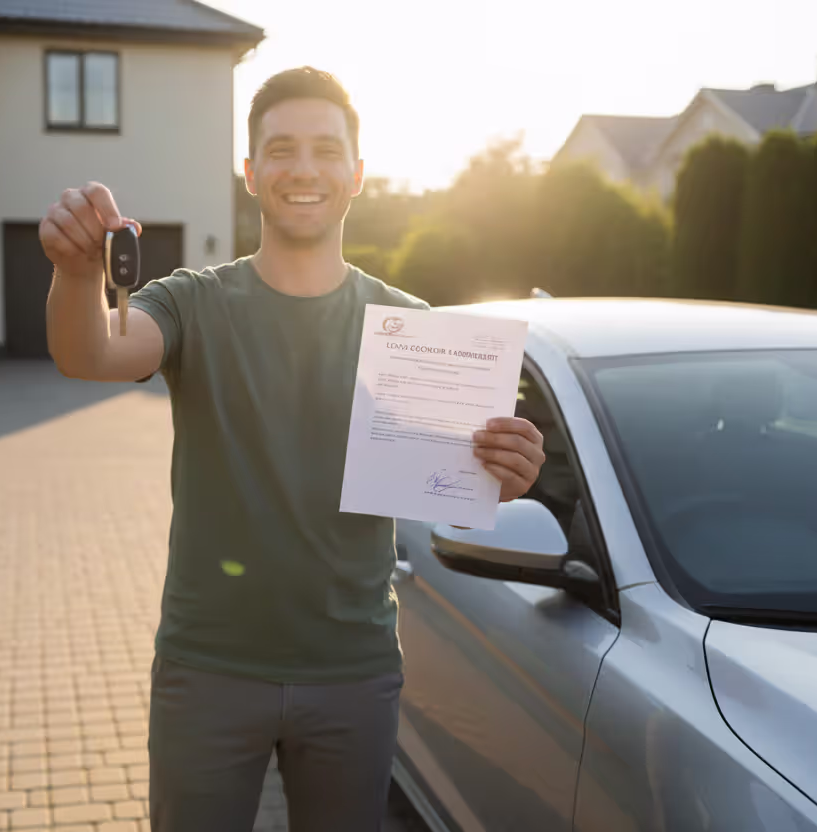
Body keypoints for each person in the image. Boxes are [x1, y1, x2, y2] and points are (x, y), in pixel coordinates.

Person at [40, 66, 546, 832]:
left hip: (354, 671)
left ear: (357, 174)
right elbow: (92, 353)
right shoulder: (193, 301)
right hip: (208, 669)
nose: (303, 168)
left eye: (324, 149)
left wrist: (503, 471)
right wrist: (77, 275)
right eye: (280, 149)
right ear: (249, 173)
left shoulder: (413, 330)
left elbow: (461, 478)